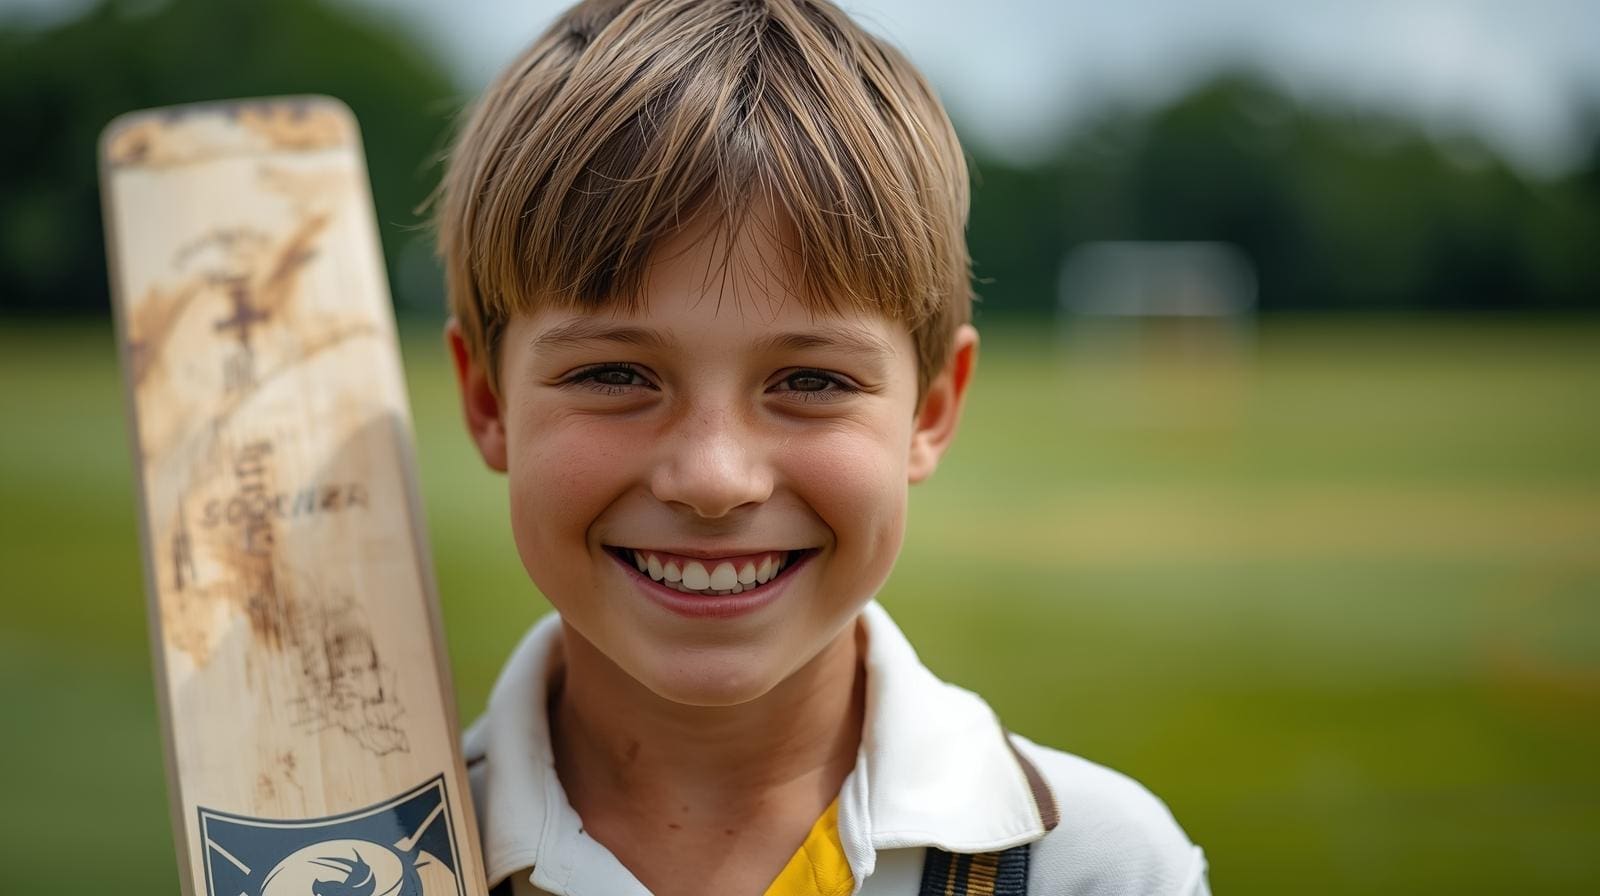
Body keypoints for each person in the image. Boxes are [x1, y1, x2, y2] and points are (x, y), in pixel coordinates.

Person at [434, 1, 1210, 893]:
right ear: (488, 400)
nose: (715, 478)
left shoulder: (1100, 867)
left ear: (931, 410)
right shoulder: (369, 864)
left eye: (810, 381)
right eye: (615, 374)